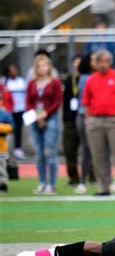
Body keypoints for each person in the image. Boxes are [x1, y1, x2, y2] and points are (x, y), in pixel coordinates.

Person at [83, 49, 115, 196]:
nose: (104, 64)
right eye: (101, 61)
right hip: (95, 121)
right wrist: (88, 120)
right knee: (98, 156)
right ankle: (103, 187)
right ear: (96, 63)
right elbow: (86, 102)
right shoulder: (91, 79)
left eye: (106, 61)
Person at [26, 55, 62, 195]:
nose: (42, 68)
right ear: (36, 67)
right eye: (39, 66)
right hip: (35, 118)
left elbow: (57, 102)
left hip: (50, 118)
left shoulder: (55, 82)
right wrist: (35, 114)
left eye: (44, 65)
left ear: (49, 67)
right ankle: (42, 182)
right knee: (39, 153)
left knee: (49, 152)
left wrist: (45, 114)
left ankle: (51, 184)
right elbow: (28, 101)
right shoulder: (32, 83)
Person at [75, 53, 97, 194]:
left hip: (97, 116)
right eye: (94, 60)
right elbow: (85, 100)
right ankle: (83, 180)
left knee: (99, 150)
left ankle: (96, 178)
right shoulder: (85, 78)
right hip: (85, 115)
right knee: (86, 149)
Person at [62, 55, 81, 187]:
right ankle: (73, 177)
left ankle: (92, 177)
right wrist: (65, 118)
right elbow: (65, 100)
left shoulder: (88, 78)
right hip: (70, 120)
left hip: (84, 118)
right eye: (75, 62)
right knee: (70, 151)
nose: (77, 65)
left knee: (89, 151)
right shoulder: (70, 80)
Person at [2, 63, 27, 159]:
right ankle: (5, 149)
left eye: (14, 69)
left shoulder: (21, 81)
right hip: (8, 110)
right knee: (7, 129)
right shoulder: (4, 81)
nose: (13, 72)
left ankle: (18, 149)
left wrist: (25, 107)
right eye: (11, 70)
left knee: (18, 129)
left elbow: (25, 95)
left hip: (19, 109)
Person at [0, 90, 14, 193]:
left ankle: (3, 184)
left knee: (2, 167)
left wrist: (1, 127)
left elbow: (12, 127)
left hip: (1, 145)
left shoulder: (5, 114)